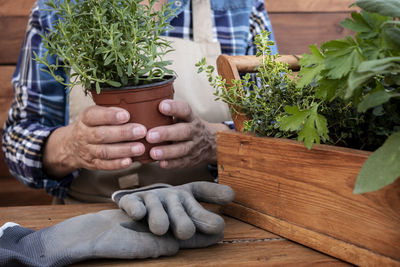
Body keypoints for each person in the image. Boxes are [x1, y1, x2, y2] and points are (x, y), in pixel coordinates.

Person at [2, 0, 278, 202]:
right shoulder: (56, 10)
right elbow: (17, 140)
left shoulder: (241, 9)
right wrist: (72, 146)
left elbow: (276, 132)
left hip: (212, 210)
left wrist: (216, 141)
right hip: (89, 216)